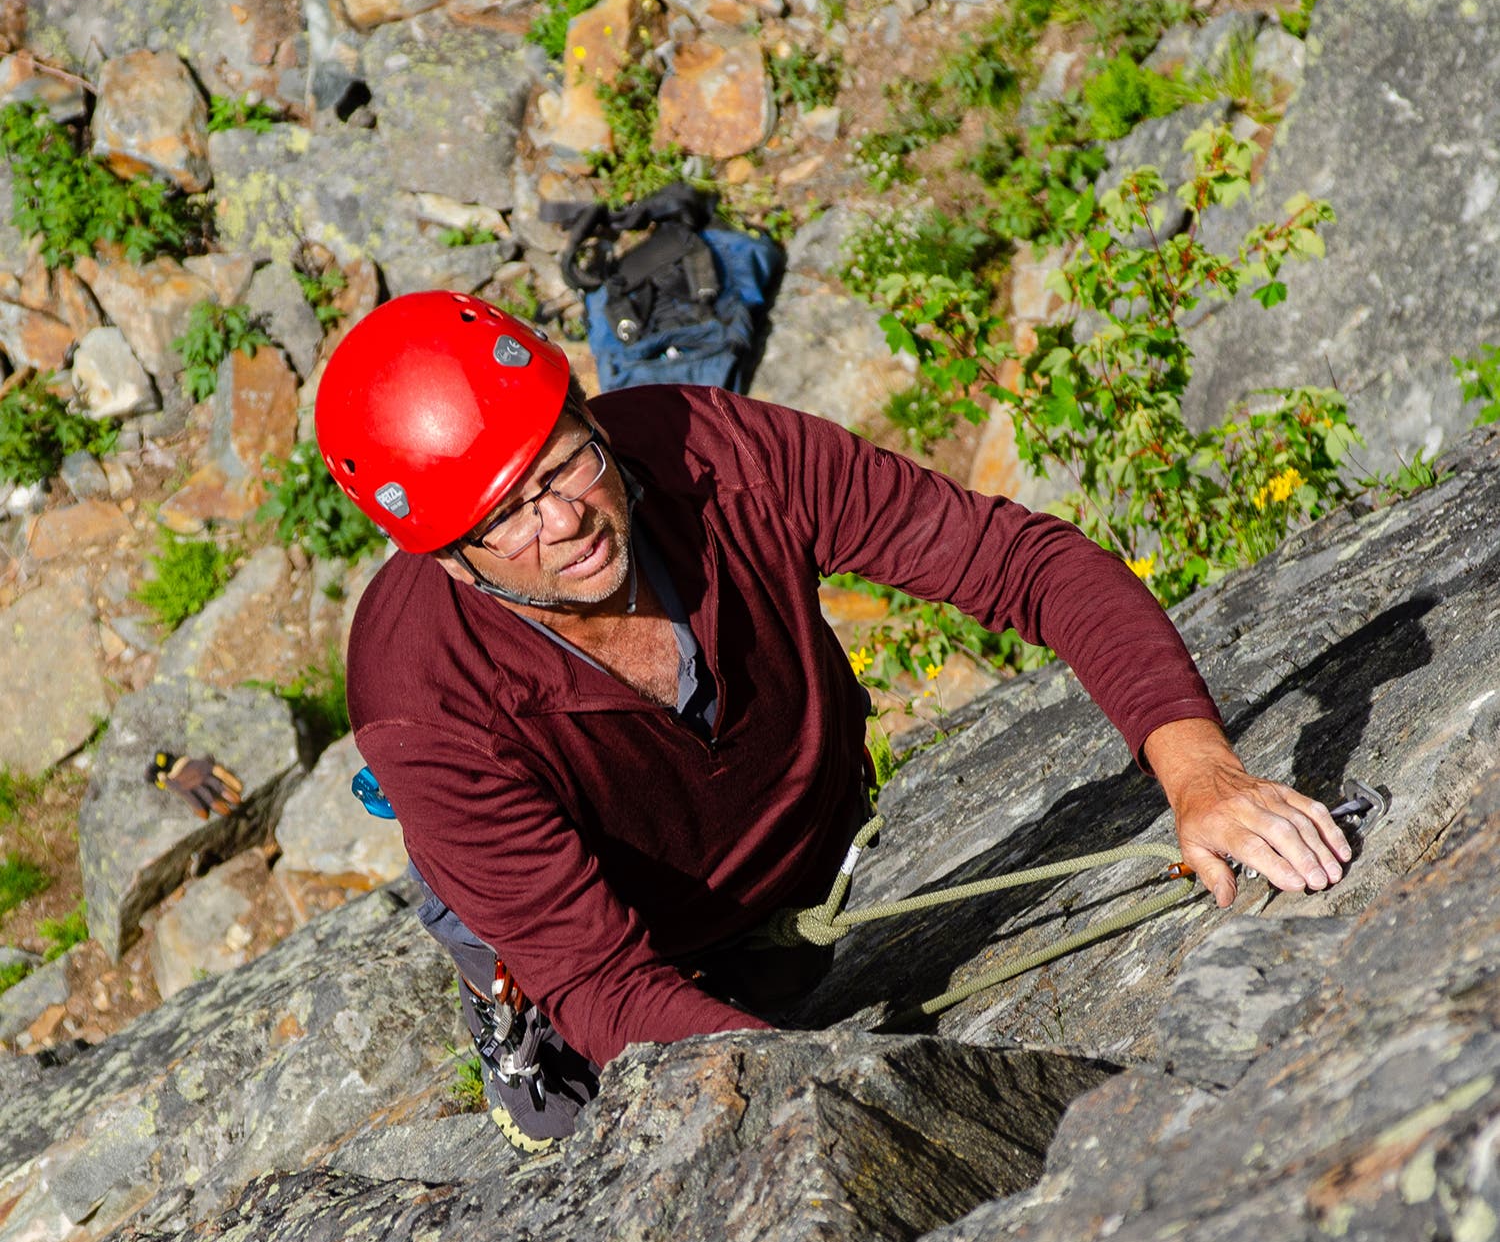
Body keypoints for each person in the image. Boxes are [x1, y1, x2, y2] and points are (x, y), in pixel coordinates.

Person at [316, 291, 1351, 1148]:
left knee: (785, 987)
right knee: (622, 1130)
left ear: (590, 415)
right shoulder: (426, 702)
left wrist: (1202, 771)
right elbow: (605, 981)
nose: (567, 523)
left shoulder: (716, 453)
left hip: (786, 850)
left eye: (566, 465)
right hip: (596, 950)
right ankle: (519, 1034)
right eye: (507, 520)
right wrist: (846, 1094)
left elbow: (1020, 564)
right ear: (447, 556)